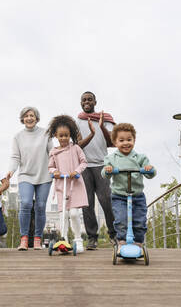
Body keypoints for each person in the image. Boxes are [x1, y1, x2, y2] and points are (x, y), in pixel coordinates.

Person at [102, 123, 156, 253]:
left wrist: (149, 169)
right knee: (121, 219)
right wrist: (108, 170)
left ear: (134, 140)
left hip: (137, 195)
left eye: (129, 140)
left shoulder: (140, 158)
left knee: (139, 220)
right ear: (115, 142)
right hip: (119, 196)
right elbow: (104, 174)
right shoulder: (111, 158)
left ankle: (138, 243)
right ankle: (122, 242)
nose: (126, 143)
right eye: (121, 140)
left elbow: (151, 174)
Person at [7, 107, 53, 251]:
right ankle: (24, 239)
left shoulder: (46, 134)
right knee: (26, 203)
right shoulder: (18, 137)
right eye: (26, 116)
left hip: (44, 175)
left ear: (36, 118)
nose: (29, 118)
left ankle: (38, 238)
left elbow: (52, 153)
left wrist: (56, 169)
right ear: (22, 119)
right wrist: (11, 171)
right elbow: (15, 157)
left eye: (32, 115)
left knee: (40, 206)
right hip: (25, 175)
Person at [76, 91, 117, 250]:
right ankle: (92, 238)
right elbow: (77, 144)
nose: (87, 102)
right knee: (87, 204)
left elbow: (112, 141)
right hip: (84, 166)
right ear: (81, 103)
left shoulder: (105, 119)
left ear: (95, 102)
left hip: (102, 164)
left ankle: (114, 235)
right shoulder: (77, 121)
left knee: (106, 200)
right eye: (84, 100)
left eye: (90, 99)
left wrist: (100, 127)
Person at [47, 115, 89, 253]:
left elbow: (84, 162)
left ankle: (78, 239)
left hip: (74, 185)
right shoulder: (54, 152)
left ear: (70, 135)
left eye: (66, 135)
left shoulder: (76, 148)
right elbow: (50, 167)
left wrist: (77, 171)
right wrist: (55, 171)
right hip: (61, 186)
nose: (64, 138)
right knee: (63, 215)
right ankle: (63, 239)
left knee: (74, 214)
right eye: (61, 136)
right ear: (55, 136)